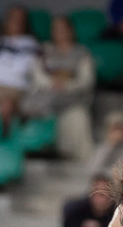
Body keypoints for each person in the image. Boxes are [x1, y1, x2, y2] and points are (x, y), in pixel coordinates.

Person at [26, 15, 96, 158]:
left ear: (71, 31)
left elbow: (86, 80)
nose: (61, 33)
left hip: (72, 98)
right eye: (56, 29)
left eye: (64, 29)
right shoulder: (44, 49)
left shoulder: (82, 52)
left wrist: (67, 85)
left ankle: (81, 158)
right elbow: (37, 74)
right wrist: (52, 83)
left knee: (79, 115)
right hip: (47, 97)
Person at [0, 7, 41, 130]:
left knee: (6, 105)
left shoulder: (30, 43)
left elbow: (24, 67)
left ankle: (0, 144)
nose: (16, 22)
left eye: (20, 19)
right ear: (6, 20)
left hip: (14, 89)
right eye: (13, 18)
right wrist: (8, 64)